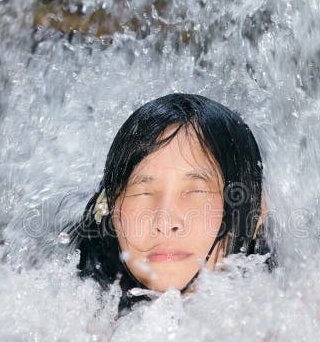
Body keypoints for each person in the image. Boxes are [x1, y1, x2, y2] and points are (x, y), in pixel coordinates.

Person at [69, 93, 272, 312]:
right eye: (143, 192)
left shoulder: (296, 320)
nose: (164, 221)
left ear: (256, 209)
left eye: (196, 190)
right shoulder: (66, 320)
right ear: (110, 209)